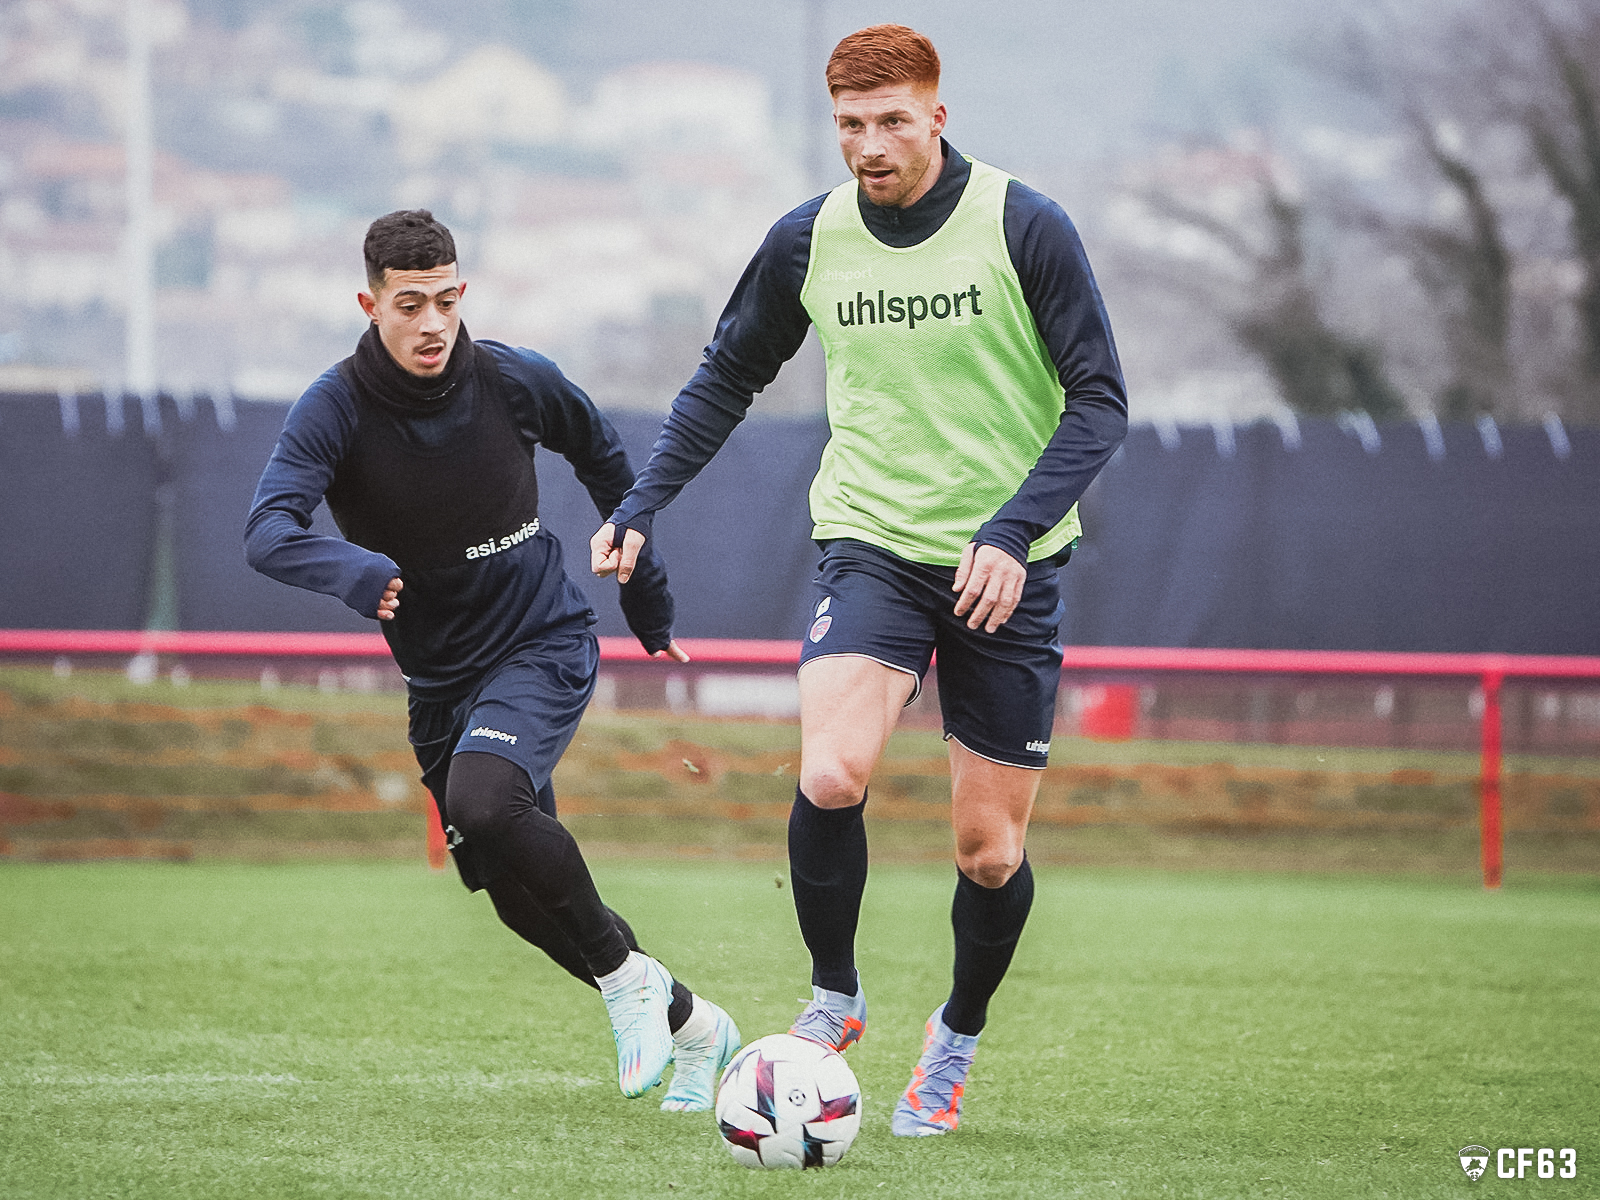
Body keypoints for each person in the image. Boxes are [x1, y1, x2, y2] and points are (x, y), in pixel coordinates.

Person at [590, 25, 1127, 1136]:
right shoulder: (810, 238)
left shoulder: (1024, 225)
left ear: (937, 115)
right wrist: (641, 502)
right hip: (872, 540)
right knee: (832, 773)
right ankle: (835, 994)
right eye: (849, 124)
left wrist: (1012, 529)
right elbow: (726, 376)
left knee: (990, 853)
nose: (870, 145)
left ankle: (955, 1038)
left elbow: (1099, 403)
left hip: (1008, 564)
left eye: (892, 121)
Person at [246, 209, 739, 1110]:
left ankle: (626, 980)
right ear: (370, 305)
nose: (432, 322)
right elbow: (267, 531)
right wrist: (352, 571)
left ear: (462, 292)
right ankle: (695, 1025)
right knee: (516, 899)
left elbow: (609, 462)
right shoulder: (335, 408)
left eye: (445, 300)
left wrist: (647, 598)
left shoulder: (514, 379)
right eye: (409, 305)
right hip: (440, 682)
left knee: (485, 799)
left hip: (541, 640)